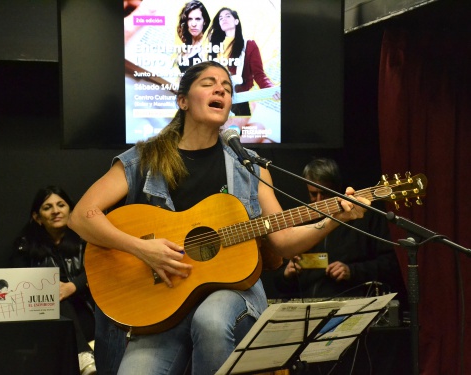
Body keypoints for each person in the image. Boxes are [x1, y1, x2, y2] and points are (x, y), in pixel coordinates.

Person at [67, 61, 368, 375]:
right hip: (164, 304)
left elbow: (283, 242)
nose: (221, 89)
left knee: (210, 319)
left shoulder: (250, 166)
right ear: (182, 100)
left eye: (227, 86)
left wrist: (333, 216)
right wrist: (141, 248)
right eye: (209, 83)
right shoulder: (145, 158)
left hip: (235, 297)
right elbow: (82, 216)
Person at [273, 158, 407, 305]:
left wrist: (352, 271)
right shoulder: (300, 219)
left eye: (324, 193)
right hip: (306, 307)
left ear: (336, 189)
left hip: (352, 305)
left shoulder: (364, 218)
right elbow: (276, 278)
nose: (318, 200)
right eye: (313, 194)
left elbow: (391, 265)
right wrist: (286, 274)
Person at [10, 186, 96, 375]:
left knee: (60, 297)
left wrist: (72, 286)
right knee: (54, 295)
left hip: (86, 309)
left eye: (61, 205)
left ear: (71, 210)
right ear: (37, 217)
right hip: (44, 316)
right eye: (47, 207)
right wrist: (52, 291)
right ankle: (84, 354)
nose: (56, 211)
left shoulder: (87, 240)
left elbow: (99, 271)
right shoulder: (25, 247)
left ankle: (84, 356)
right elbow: (17, 283)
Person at [206, 7, 280, 116]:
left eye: (227, 16)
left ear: (236, 21)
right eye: (220, 18)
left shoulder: (249, 45)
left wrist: (271, 90)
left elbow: (259, 74)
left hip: (239, 102)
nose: (223, 19)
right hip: (214, 100)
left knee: (240, 132)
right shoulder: (213, 47)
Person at [176, 1, 211, 73]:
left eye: (198, 19)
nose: (193, 24)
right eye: (190, 19)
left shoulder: (207, 47)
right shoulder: (184, 46)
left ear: (204, 21)